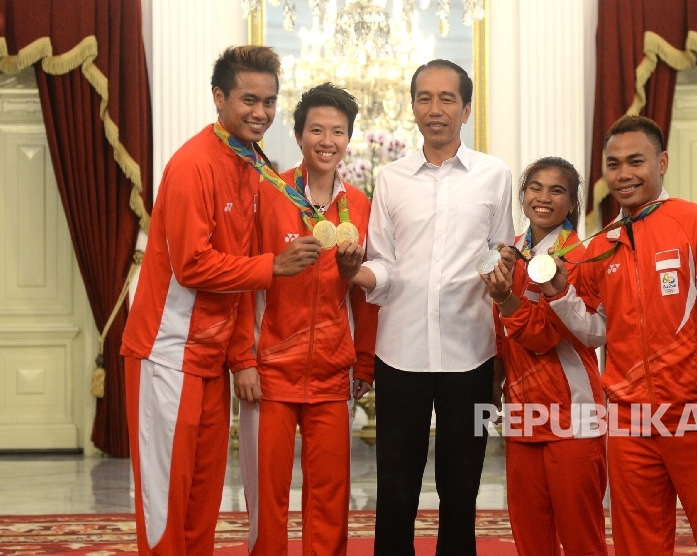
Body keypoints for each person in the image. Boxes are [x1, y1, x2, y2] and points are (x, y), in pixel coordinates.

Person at [120, 45, 322, 556]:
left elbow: (235, 275)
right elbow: (192, 265)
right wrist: (272, 266)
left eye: (270, 101)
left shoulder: (250, 161)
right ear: (219, 97)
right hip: (166, 352)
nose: (261, 112)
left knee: (203, 496)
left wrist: (239, 357)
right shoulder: (192, 164)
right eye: (248, 100)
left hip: (210, 357)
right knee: (167, 497)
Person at [544, 115, 697, 555]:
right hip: (629, 421)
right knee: (638, 544)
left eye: (635, 161)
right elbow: (593, 330)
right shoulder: (601, 245)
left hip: (696, 411)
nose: (624, 174)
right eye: (614, 164)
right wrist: (559, 292)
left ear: (661, 162)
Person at [344, 59, 514, 556]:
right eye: (424, 98)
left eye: (446, 99)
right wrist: (352, 272)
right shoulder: (392, 180)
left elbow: (500, 251)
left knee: (461, 487)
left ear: (465, 109)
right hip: (401, 354)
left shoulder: (494, 176)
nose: (435, 109)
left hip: (472, 352)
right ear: (413, 107)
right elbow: (386, 264)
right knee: (396, 486)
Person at [232, 82, 378, 555]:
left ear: (348, 140)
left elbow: (364, 294)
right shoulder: (269, 194)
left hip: (332, 372)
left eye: (337, 131)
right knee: (267, 493)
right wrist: (242, 359)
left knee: (330, 494)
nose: (327, 140)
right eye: (316, 129)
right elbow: (243, 282)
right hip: (270, 371)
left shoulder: (359, 205)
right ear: (298, 135)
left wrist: (365, 361)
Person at [481, 157, 607, 555]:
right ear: (523, 196)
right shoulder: (511, 252)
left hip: (574, 414)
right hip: (523, 412)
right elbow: (500, 332)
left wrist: (504, 299)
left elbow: (542, 337)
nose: (543, 197)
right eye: (535, 187)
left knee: (580, 536)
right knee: (530, 536)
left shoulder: (580, 257)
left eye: (557, 190)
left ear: (572, 204)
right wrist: (495, 385)